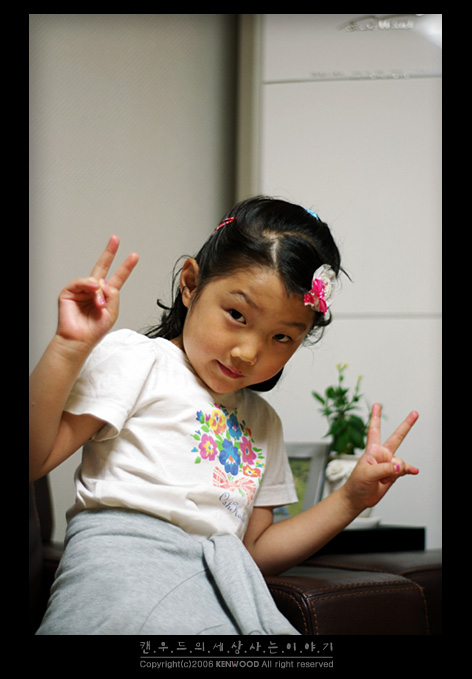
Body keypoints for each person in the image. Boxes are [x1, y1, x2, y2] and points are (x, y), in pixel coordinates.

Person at [30, 196, 419, 635]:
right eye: (237, 315)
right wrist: (67, 348)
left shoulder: (264, 422)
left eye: (281, 337)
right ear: (191, 284)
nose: (249, 353)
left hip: (213, 592)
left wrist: (349, 500)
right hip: (120, 584)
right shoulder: (139, 360)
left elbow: (254, 551)